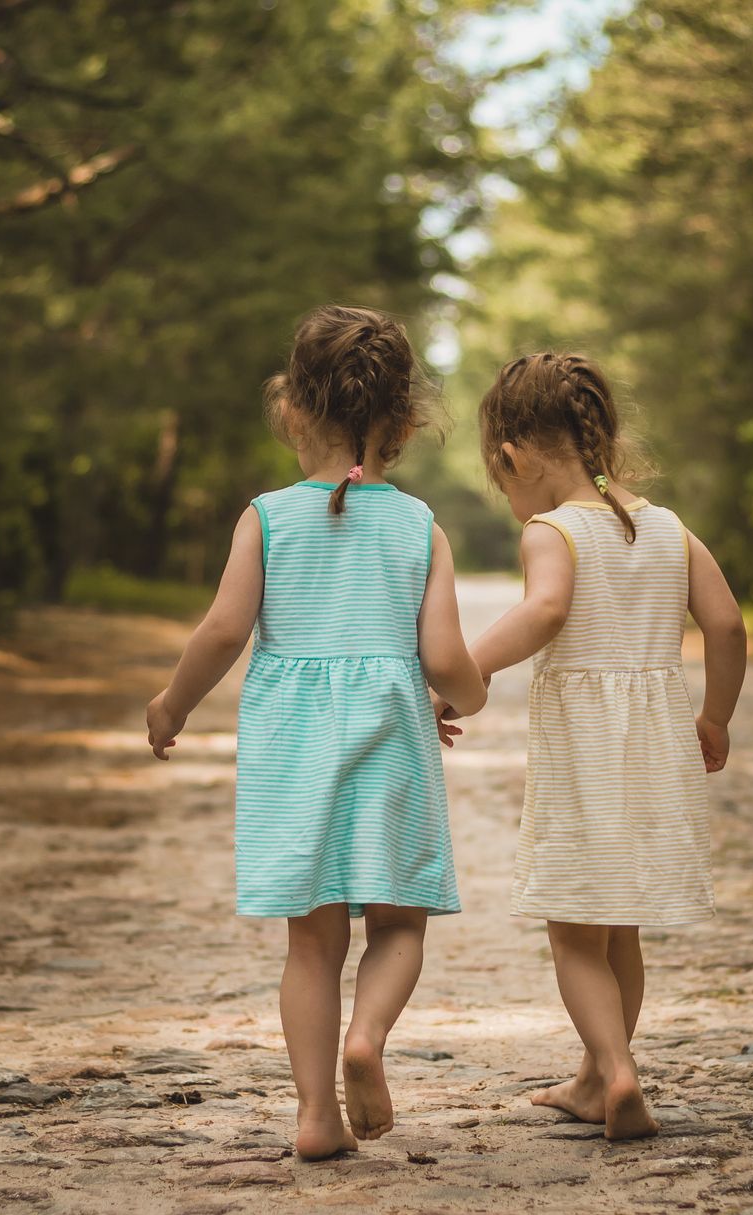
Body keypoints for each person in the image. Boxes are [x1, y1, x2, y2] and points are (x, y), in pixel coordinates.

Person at [147, 305, 486, 1159]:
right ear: (403, 423)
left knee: (311, 942)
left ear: (292, 410)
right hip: (390, 742)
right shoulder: (418, 527)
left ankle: (314, 1116)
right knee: (399, 924)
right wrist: (461, 698)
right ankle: (366, 1039)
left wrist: (173, 704)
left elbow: (223, 631)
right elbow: (444, 657)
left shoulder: (265, 516)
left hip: (292, 751)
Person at [457, 351, 745, 1140]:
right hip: (655, 749)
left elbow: (546, 612)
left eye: (499, 479)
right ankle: (597, 1076)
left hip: (586, 755)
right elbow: (724, 624)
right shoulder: (666, 528)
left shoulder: (554, 532)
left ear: (513, 457)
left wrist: (464, 668)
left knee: (572, 926)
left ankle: (616, 1077)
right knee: (620, 924)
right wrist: (714, 717)